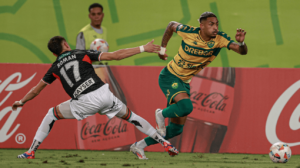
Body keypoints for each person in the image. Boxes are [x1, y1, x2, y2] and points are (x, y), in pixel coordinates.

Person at [14, 36, 178, 160]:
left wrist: (21, 102)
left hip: (84, 102)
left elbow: (36, 90)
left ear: (53, 53)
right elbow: (115, 56)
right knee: (131, 116)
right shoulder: (81, 53)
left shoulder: (54, 68)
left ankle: (31, 151)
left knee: (51, 114)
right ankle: (164, 142)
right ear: (66, 44)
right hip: (103, 93)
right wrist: (143, 48)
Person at [131, 12, 248, 157]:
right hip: (169, 76)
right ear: (202, 26)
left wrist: (241, 43)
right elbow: (171, 25)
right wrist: (162, 49)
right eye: (211, 24)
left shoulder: (220, 39)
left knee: (175, 130)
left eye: (217, 24)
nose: (215, 27)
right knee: (186, 107)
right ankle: (160, 114)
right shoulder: (189, 32)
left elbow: (241, 51)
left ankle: (139, 146)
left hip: (184, 83)